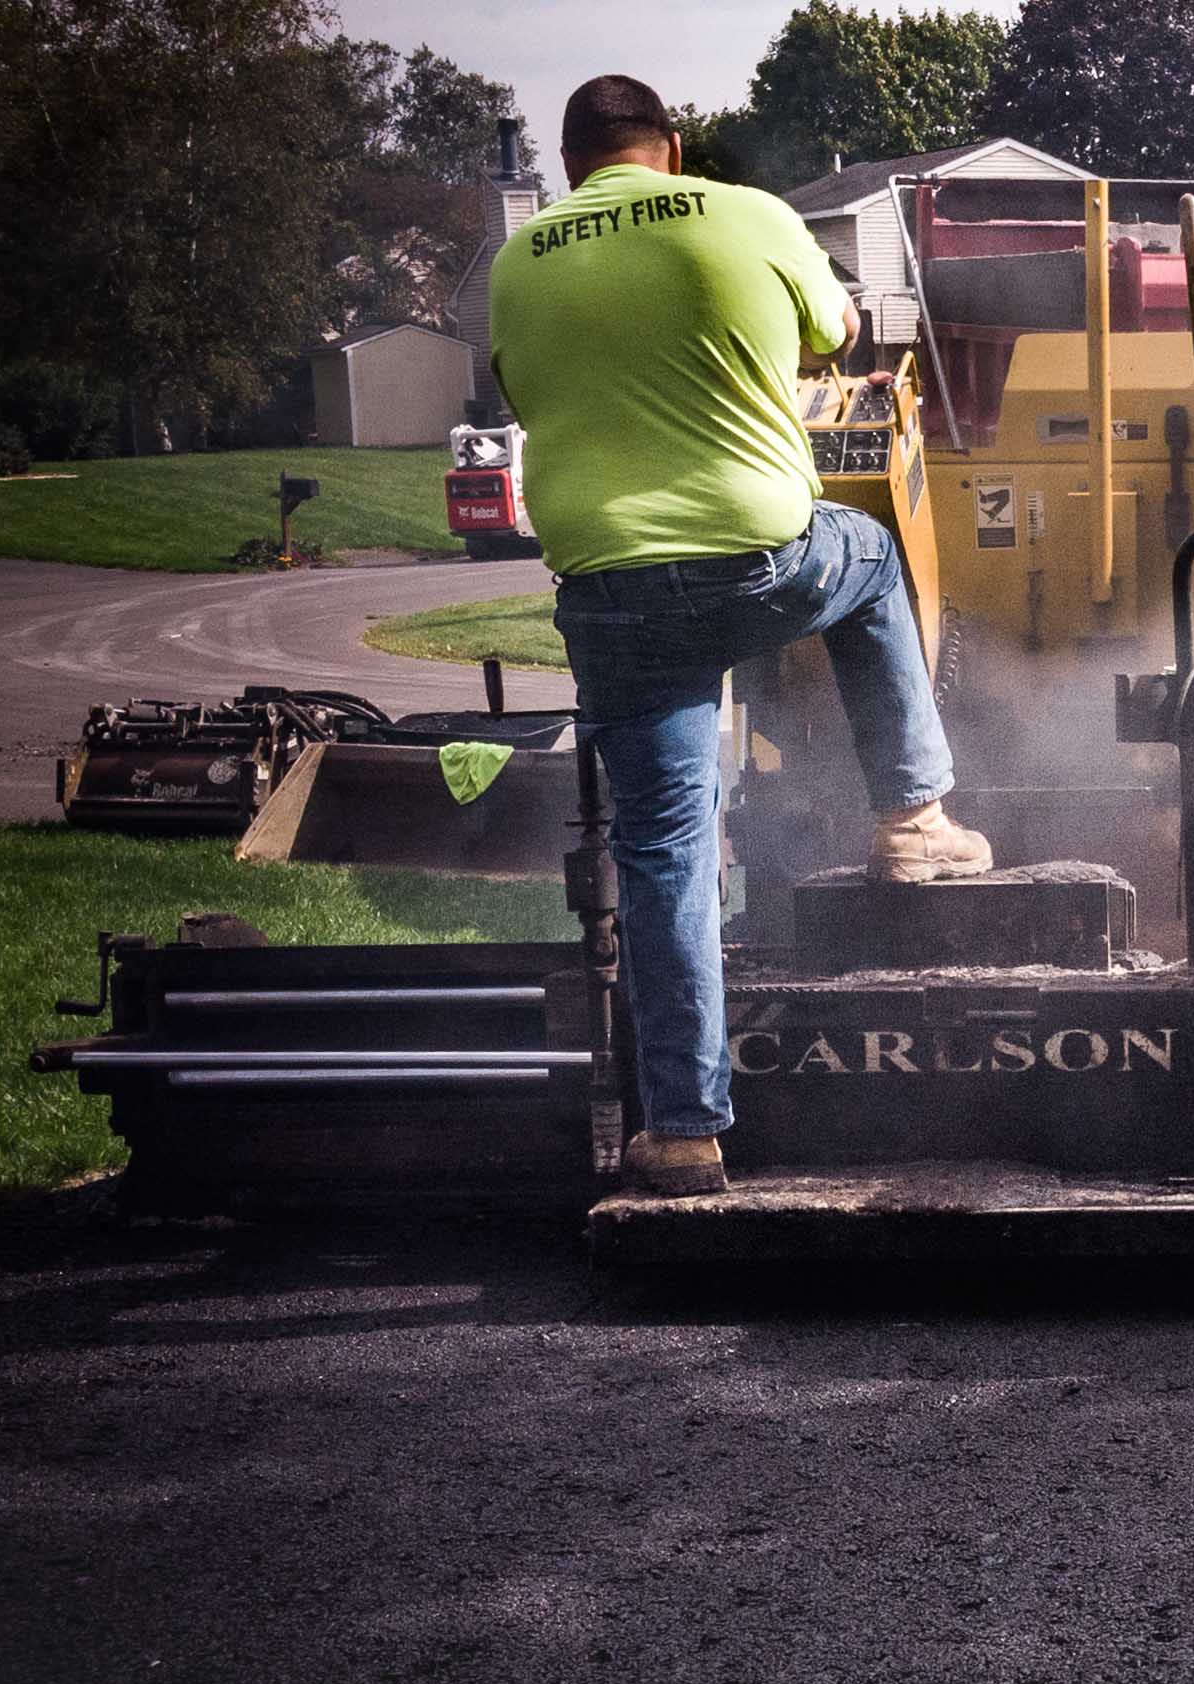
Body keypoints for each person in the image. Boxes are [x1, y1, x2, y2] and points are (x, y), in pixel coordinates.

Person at [491, 74, 992, 1199]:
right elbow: (835, 332)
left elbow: (533, 392)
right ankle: (912, 814)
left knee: (665, 853)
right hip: (755, 558)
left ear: (576, 168)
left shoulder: (524, 261)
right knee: (866, 566)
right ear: (669, 146)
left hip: (611, 589)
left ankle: (681, 1130)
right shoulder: (748, 213)